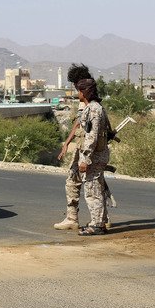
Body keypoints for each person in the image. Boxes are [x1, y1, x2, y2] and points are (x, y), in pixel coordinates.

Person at [53, 64, 93, 230]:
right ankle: (100, 218)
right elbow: (79, 121)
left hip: (86, 147)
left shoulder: (87, 96)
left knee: (79, 182)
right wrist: (67, 143)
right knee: (92, 183)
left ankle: (73, 218)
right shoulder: (90, 93)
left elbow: (80, 122)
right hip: (84, 145)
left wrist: (68, 143)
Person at [76, 78, 110, 236]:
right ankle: (99, 222)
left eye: (79, 91)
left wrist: (85, 159)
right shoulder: (94, 107)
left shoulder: (94, 109)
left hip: (94, 157)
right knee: (97, 189)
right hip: (98, 155)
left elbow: (91, 136)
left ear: (84, 92)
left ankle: (96, 225)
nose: (78, 94)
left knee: (92, 190)